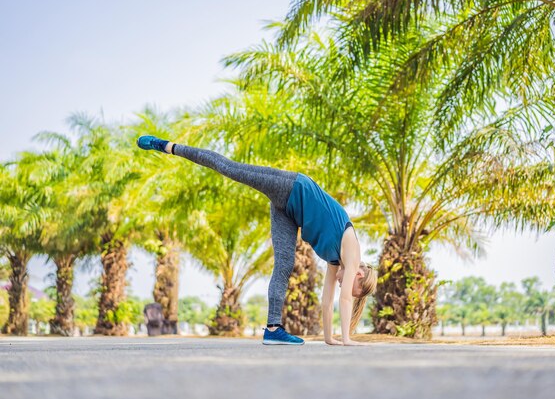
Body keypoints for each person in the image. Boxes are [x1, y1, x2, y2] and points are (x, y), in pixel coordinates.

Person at [137, 136, 377, 346]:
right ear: (358, 275)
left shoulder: (336, 260)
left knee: (284, 264)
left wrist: (330, 338)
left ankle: (273, 330)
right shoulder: (352, 251)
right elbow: (344, 299)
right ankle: (168, 146)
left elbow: (327, 301)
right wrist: (347, 340)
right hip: (293, 187)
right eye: (352, 287)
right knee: (229, 168)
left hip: (289, 212)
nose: (343, 286)